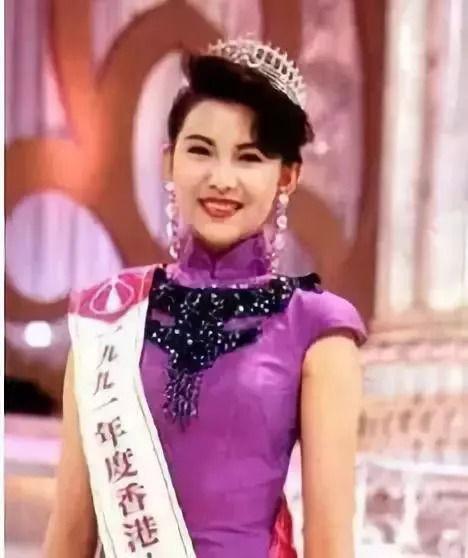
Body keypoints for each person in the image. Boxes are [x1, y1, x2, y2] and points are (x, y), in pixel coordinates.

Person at [43, 38, 367, 558]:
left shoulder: (317, 327)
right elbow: (69, 533)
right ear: (169, 162)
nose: (221, 179)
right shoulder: (110, 316)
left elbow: (330, 542)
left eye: (249, 157)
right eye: (200, 150)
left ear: (287, 176)